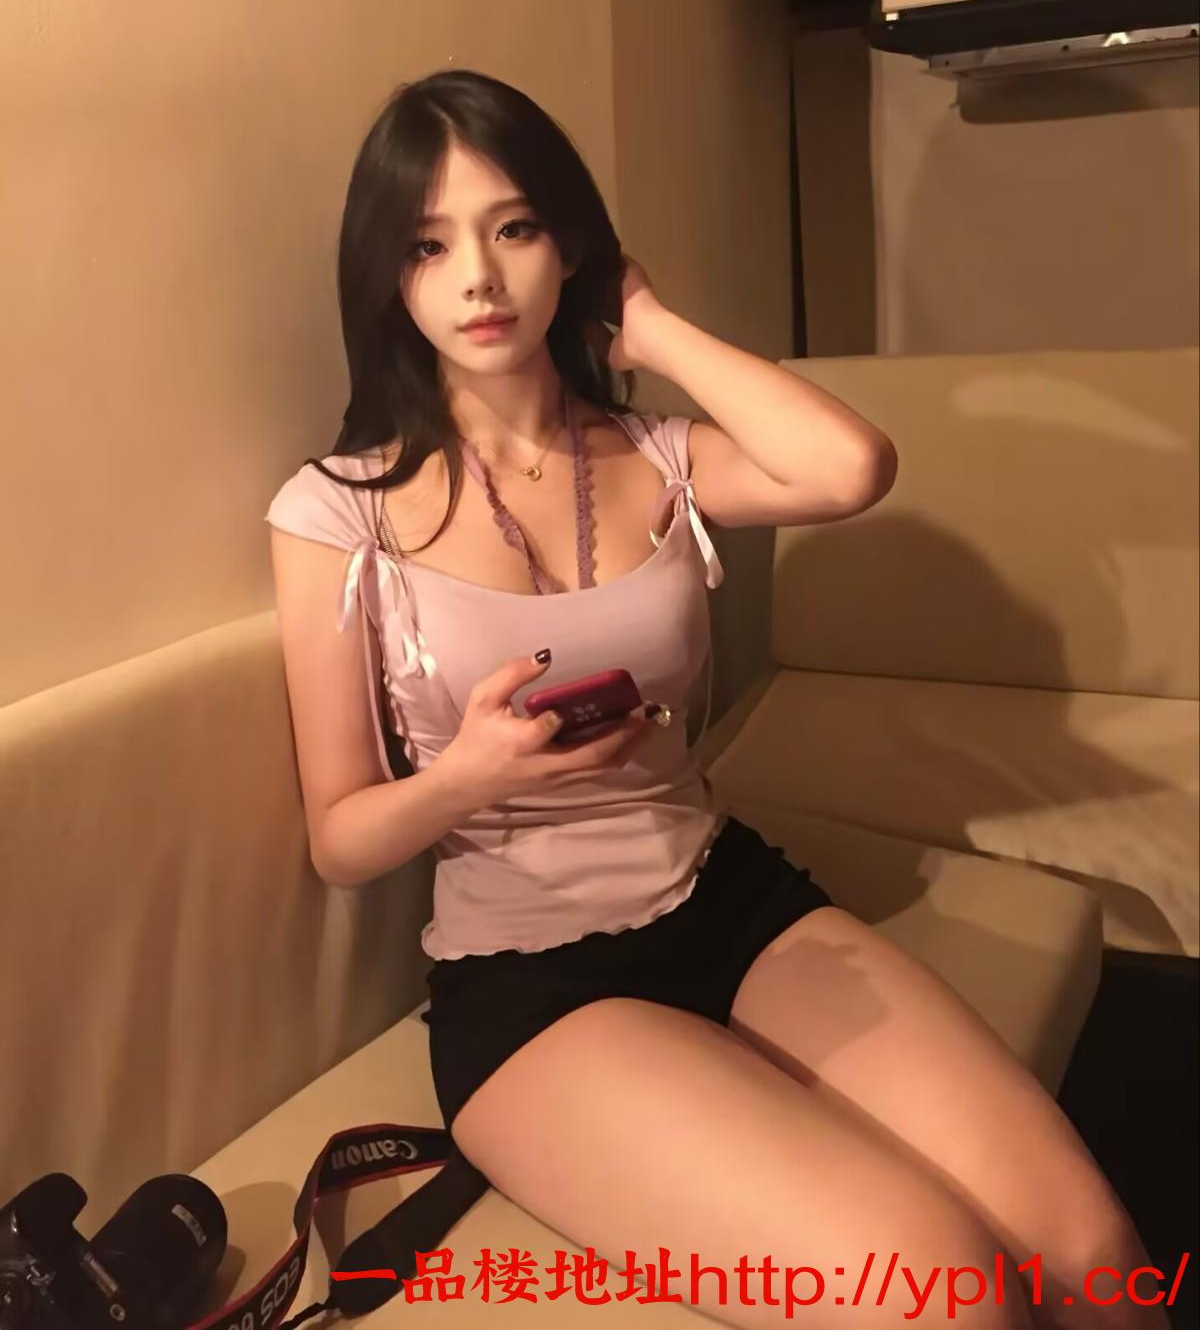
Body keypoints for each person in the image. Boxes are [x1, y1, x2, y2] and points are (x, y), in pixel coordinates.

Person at [266, 71, 1166, 1329]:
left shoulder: (658, 456)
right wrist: (470, 777)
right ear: (387, 275)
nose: (477, 277)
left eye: (514, 227)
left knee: (1098, 1253)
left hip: (727, 900)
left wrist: (643, 323)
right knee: (949, 1293)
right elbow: (339, 838)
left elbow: (852, 466)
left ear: (569, 246)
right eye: (428, 245)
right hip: (531, 990)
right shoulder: (335, 513)